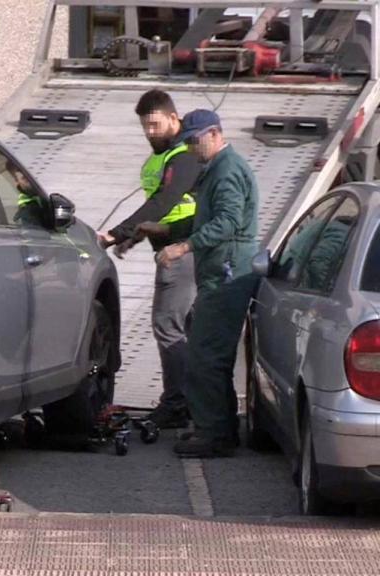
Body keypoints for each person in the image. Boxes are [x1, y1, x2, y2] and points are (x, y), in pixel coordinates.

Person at [151, 109, 259, 458]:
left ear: (214, 134)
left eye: (195, 141)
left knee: (206, 355)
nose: (191, 149)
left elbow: (228, 222)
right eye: (187, 142)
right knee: (211, 354)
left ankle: (214, 434)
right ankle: (218, 427)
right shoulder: (216, 169)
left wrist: (183, 246)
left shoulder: (226, 171)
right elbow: (207, 220)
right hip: (221, 272)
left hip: (226, 274)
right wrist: (167, 232)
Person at [97, 90, 201, 429]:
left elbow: (166, 202)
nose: (149, 132)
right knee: (182, 329)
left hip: (182, 253)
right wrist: (136, 235)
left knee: (168, 327)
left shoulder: (183, 156)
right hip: (172, 248)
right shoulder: (165, 155)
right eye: (145, 127)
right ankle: (188, 402)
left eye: (155, 125)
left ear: (174, 119)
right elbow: (159, 209)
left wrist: (117, 232)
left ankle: (176, 404)